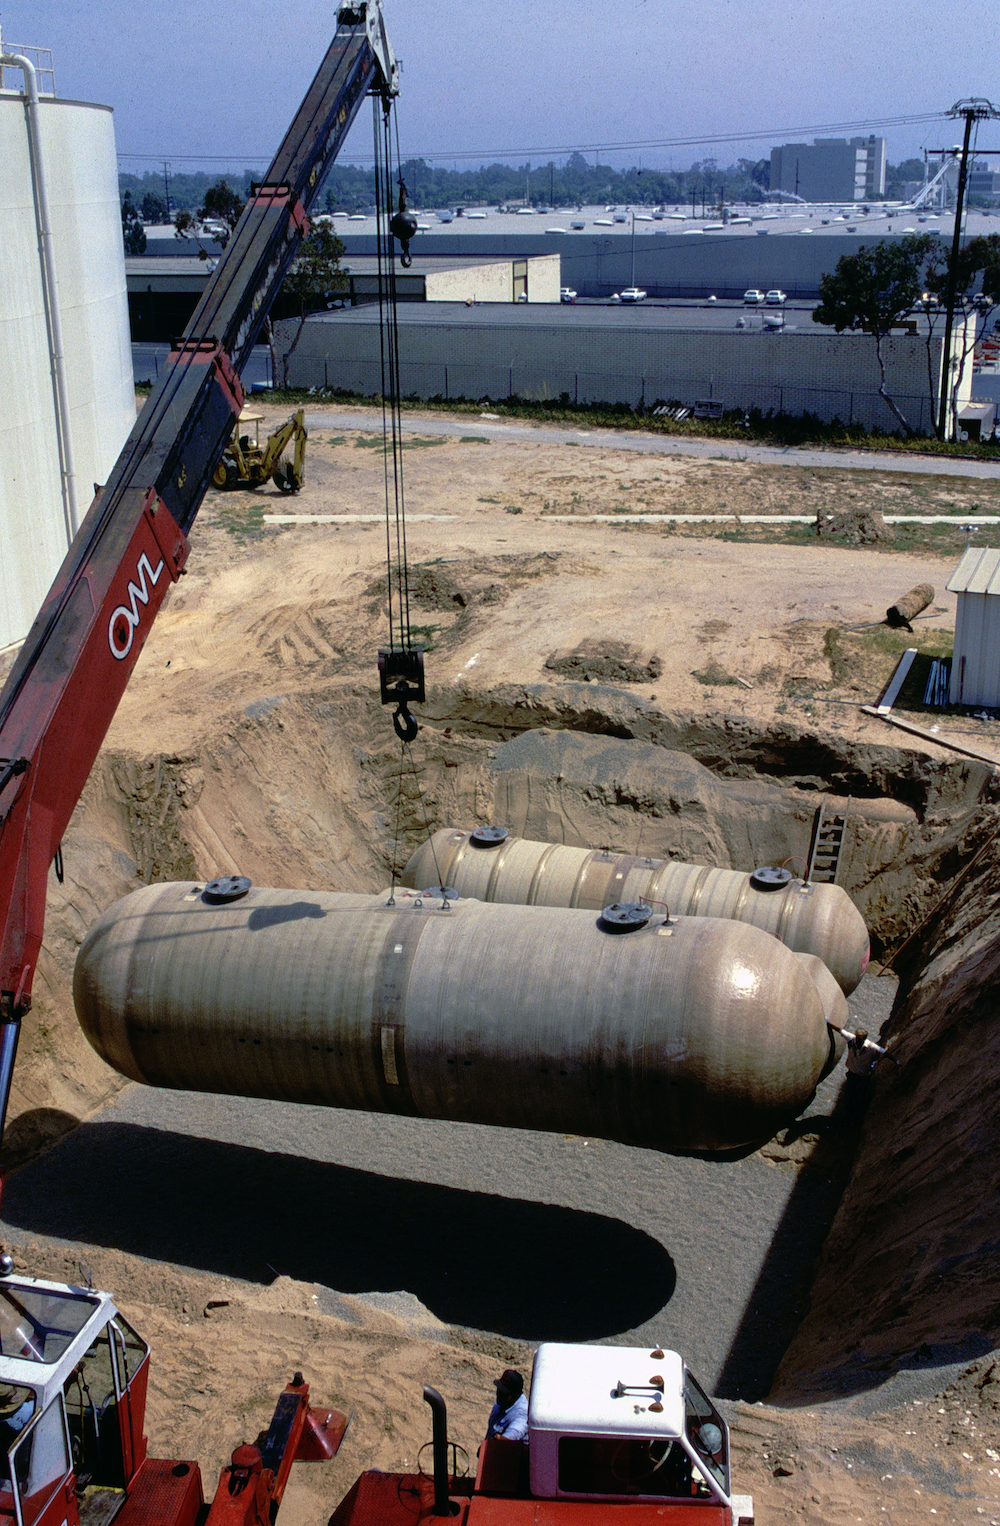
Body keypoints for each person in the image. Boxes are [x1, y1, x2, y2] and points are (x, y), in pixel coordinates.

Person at [486, 1369, 528, 1443]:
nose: (499, 1394)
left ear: (515, 1395)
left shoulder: (522, 1414)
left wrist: (498, 1438)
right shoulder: (502, 1402)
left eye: (504, 1393)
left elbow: (512, 1435)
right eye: (499, 1389)